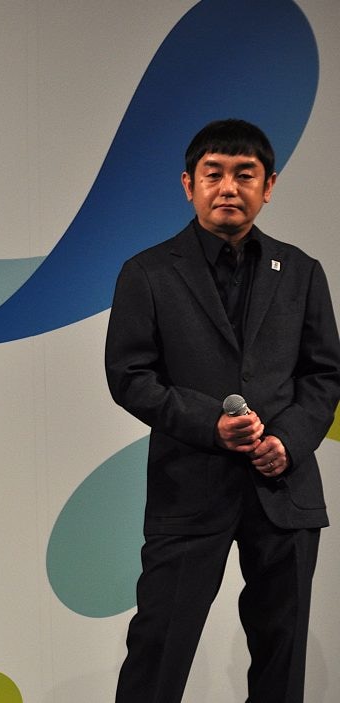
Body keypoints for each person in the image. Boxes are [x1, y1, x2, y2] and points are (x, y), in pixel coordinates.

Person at [105, 119, 340, 702]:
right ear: (189, 184)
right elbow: (130, 377)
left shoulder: (302, 271)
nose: (228, 187)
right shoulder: (148, 272)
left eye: (245, 174)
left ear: (269, 186)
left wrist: (288, 440)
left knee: (282, 659)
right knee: (158, 651)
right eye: (214, 174)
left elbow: (323, 374)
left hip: (283, 491)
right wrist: (210, 424)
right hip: (189, 488)